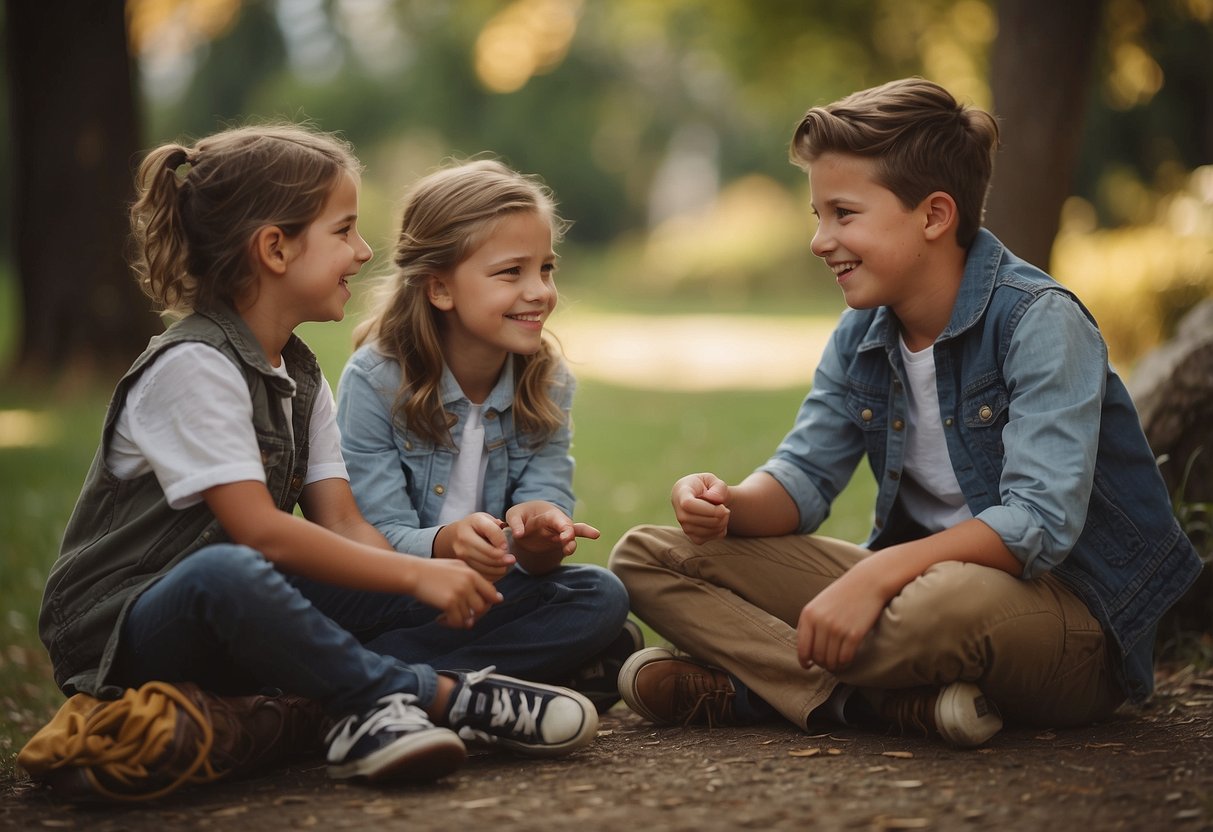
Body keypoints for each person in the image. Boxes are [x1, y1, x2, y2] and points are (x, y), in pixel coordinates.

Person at [609, 78, 1203, 748]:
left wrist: (876, 573)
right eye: (816, 216)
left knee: (940, 605)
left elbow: (1037, 521)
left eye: (843, 213)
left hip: (1065, 622)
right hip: (908, 592)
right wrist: (726, 504)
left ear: (933, 216)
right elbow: (802, 478)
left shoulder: (1039, 322)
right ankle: (878, 706)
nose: (819, 240)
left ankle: (746, 689)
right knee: (650, 556)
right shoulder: (861, 331)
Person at [37, 125, 600, 789]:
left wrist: (423, 576)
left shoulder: (300, 376)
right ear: (275, 248)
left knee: (588, 594)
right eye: (344, 231)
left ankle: (336, 703)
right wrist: (417, 579)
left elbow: (343, 527)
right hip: (133, 625)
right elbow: (259, 531)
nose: (364, 253)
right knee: (228, 570)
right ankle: (440, 695)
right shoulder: (193, 367)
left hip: (258, 613)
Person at [335, 159, 638, 714]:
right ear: (441, 289)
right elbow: (370, 537)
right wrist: (447, 543)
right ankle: (434, 680)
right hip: (395, 592)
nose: (540, 292)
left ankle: (379, 679)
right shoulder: (375, 380)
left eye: (546, 269)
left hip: (484, 597)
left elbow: (542, 527)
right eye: (510, 273)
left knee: (601, 595)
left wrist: (542, 531)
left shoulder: (546, 380)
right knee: (316, 599)